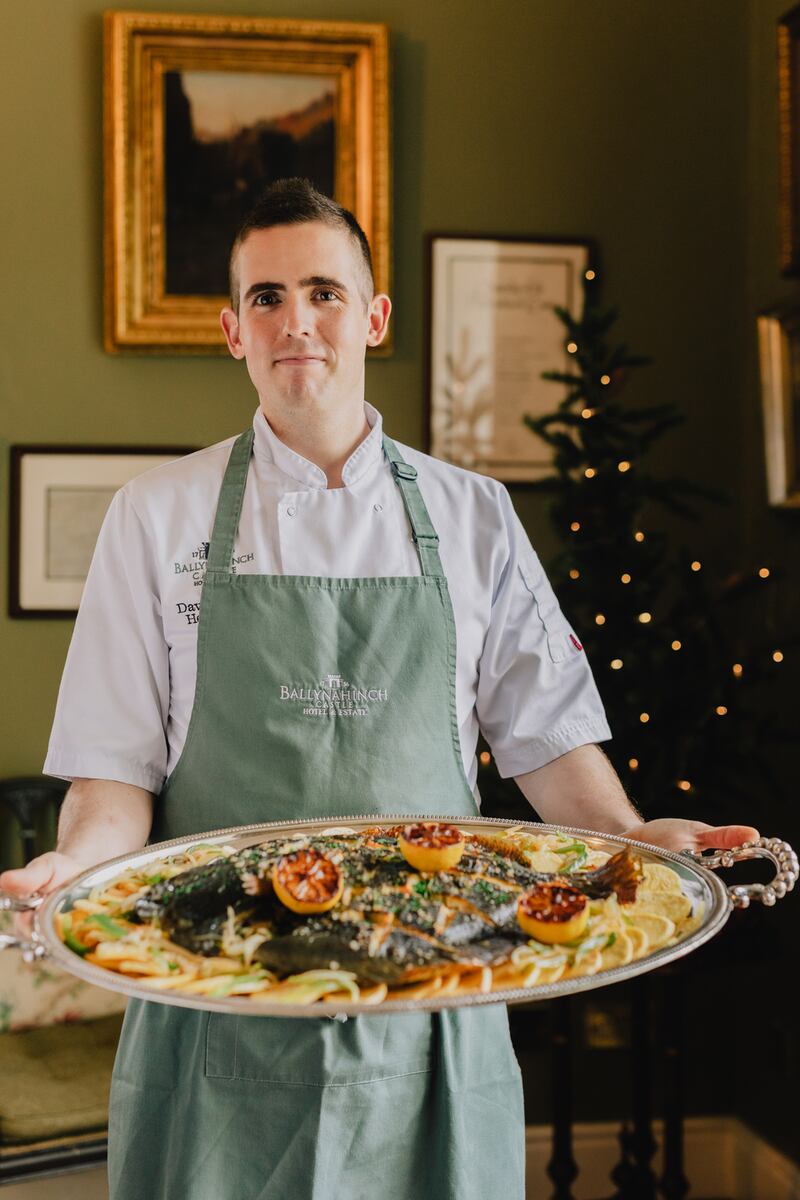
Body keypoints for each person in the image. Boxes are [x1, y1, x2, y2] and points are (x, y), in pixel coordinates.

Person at [1, 178, 758, 1200]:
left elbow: (542, 743)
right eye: (265, 297)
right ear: (231, 330)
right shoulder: (154, 516)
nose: (295, 321)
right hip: (215, 1001)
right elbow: (113, 781)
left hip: (432, 995)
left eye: (322, 290)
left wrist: (633, 836)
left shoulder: (474, 515)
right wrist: (73, 868)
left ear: (373, 316)